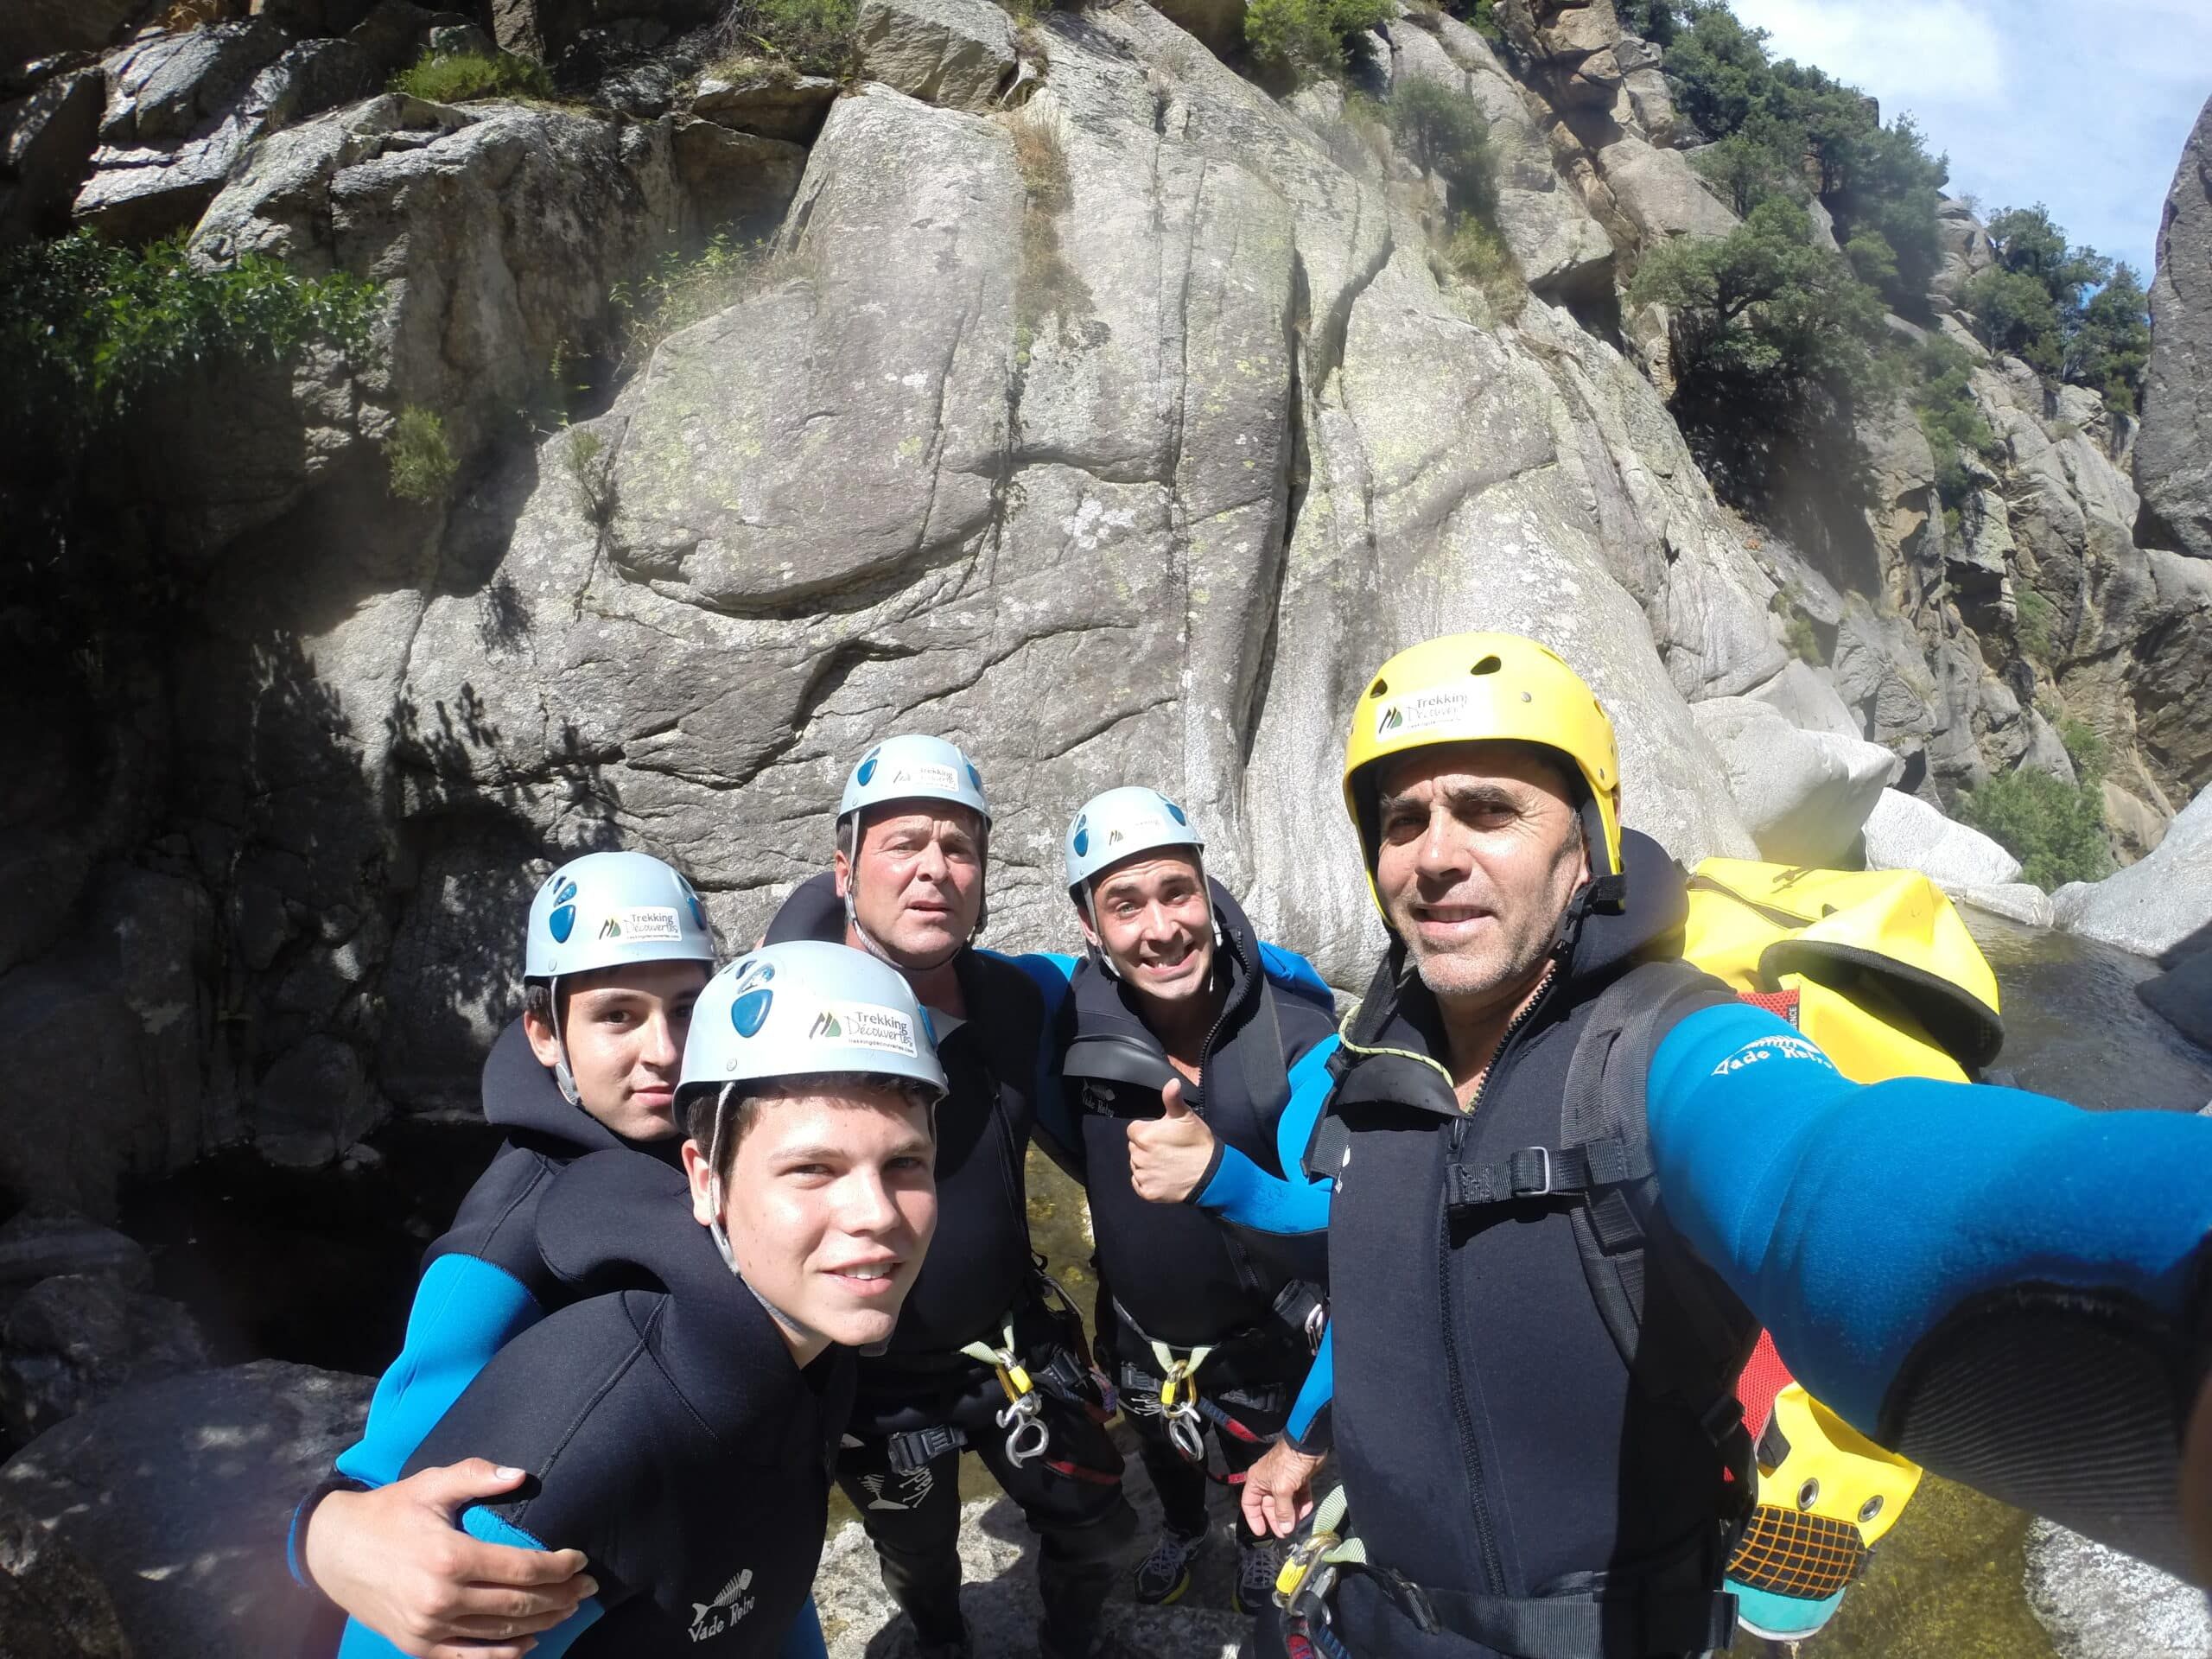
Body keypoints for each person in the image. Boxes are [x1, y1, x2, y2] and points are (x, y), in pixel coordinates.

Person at [1136, 632, 2212, 1657]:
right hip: (1373, 1619)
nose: (1435, 855)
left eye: (1488, 809)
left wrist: (2177, 1275)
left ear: (1585, 841)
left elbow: (1826, 1177)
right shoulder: (1366, 1069)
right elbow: (1380, 1282)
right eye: (1402, 819)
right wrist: (1302, 1438)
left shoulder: (1670, 1049)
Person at [334, 938, 945, 1657]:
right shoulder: (586, 1429)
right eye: (813, 1169)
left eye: (906, 1162)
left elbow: (760, 1561)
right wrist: (325, 1527)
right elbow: (399, 1567)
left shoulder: (800, 1316)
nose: (874, 1214)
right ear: (703, 1180)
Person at [291, 850, 816, 1659]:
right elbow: (389, 1492)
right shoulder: (502, 1250)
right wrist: (324, 1532)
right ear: (544, 1032)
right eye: (617, 1015)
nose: (664, 1050)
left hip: (743, 1560)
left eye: (686, 1006)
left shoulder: (716, 1142)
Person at [763, 734, 1137, 1659]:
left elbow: (1130, 993)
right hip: (873, 1380)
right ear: (844, 866)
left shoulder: (1010, 1000)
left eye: (958, 846)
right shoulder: (776, 1019)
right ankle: (939, 1643)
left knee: (1098, 1530)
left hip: (1006, 1347)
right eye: (904, 843)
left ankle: (1072, 1645)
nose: (934, 868)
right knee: (919, 1557)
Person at [1018, 785, 1337, 1616]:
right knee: (1162, 1449)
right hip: (1135, 1327)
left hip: (1258, 1336)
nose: (1160, 929)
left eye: (1176, 892)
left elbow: (1344, 1212)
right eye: (1125, 905)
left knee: (1254, 1466)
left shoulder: (1294, 1032)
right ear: (1089, 926)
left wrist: (1219, 1174)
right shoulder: (1065, 1016)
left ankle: (1259, 1550)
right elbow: (945, 968)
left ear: (1205, 889)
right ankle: (1187, 1531)